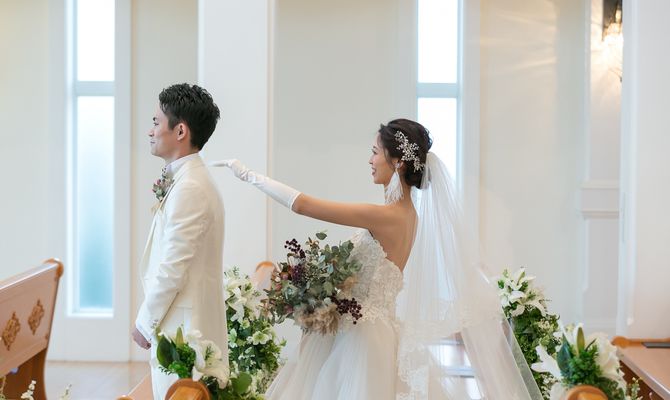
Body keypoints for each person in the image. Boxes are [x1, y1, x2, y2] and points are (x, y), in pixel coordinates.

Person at [214, 118, 541, 399]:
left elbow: (303, 205)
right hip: (366, 331)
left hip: (362, 339)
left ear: (397, 162)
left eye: (374, 152)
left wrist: (248, 175)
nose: (369, 160)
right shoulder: (407, 215)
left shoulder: (388, 216)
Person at [133, 83, 228, 399]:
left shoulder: (190, 187)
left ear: (181, 131)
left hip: (184, 330)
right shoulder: (189, 179)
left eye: (156, 122)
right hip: (182, 325)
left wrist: (144, 323)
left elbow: (173, 267)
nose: (150, 131)